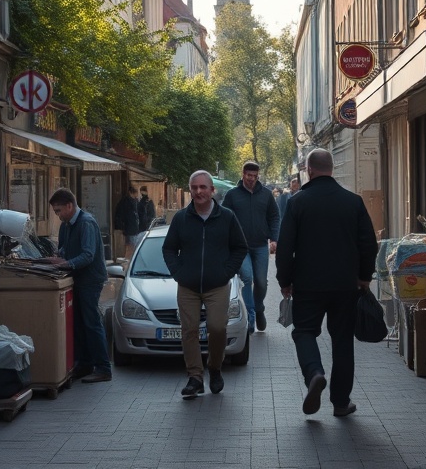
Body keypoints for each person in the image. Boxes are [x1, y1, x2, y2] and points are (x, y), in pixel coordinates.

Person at [275, 149, 378, 418]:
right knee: (343, 340)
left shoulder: (297, 203)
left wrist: (284, 280)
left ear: (309, 170)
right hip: (346, 285)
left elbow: (285, 247)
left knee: (304, 332)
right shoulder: (353, 202)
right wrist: (364, 277)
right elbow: (369, 244)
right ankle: (341, 402)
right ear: (332, 169)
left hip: (308, 284)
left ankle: (314, 373)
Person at [162, 170, 248, 399]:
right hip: (188, 286)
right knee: (189, 330)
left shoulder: (227, 217)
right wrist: (179, 272)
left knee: (217, 328)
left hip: (217, 285)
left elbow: (240, 247)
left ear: (212, 191)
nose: (198, 192)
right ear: (190, 190)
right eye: (194, 187)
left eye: (203, 187)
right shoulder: (181, 218)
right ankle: (195, 377)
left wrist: (226, 272)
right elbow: (169, 248)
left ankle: (215, 367)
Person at [42, 187, 112, 383]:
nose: (57, 216)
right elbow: (64, 249)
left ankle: (103, 367)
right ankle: (85, 364)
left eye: (58, 211)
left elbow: (88, 254)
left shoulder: (86, 223)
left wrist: (66, 263)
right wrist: (56, 257)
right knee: (79, 323)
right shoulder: (66, 225)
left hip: (90, 280)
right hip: (77, 278)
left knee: (91, 322)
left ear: (69, 206)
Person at [222, 161, 280, 332]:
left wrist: (274, 239)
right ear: (243, 174)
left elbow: (275, 217)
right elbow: (225, 218)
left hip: (261, 245)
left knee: (261, 282)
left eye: (255, 176)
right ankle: (251, 316)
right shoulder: (232, 195)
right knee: (247, 277)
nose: (252, 179)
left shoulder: (266, 195)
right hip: (240, 247)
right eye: (249, 175)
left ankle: (259, 308)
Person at [113, 185, 141, 257]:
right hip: (129, 227)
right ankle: (129, 259)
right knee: (131, 246)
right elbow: (122, 215)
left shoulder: (134, 201)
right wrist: (122, 226)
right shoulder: (126, 202)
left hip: (132, 227)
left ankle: (129, 258)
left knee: (132, 245)